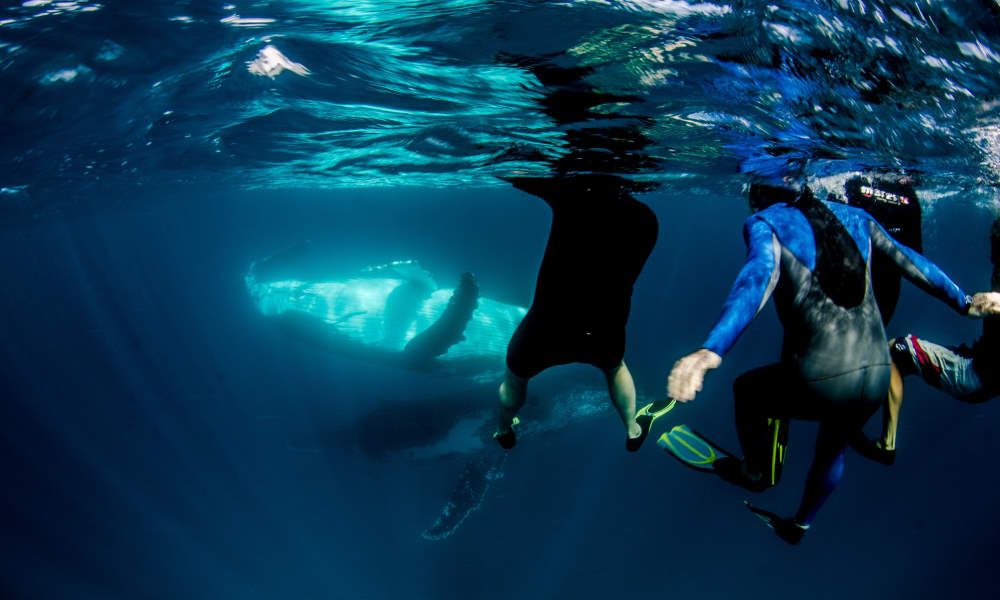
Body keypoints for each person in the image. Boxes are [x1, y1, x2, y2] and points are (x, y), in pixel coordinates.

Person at [667, 182, 1000, 545]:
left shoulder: (766, 221)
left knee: (747, 390)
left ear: (757, 194)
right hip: (876, 375)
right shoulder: (858, 215)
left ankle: (756, 473)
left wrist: (711, 350)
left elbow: (758, 278)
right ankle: (801, 524)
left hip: (821, 380)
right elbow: (912, 263)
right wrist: (965, 302)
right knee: (833, 446)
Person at [494, 175, 662, 451]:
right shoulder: (648, 219)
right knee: (615, 368)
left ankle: (503, 430)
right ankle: (633, 429)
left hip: (548, 326)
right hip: (604, 325)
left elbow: (516, 174)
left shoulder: (570, 196)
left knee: (514, 378)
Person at [861, 216, 1000, 464]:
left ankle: (887, 444)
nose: (990, 256)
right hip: (980, 365)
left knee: (895, 351)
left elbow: (978, 304)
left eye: (994, 245)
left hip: (972, 377)